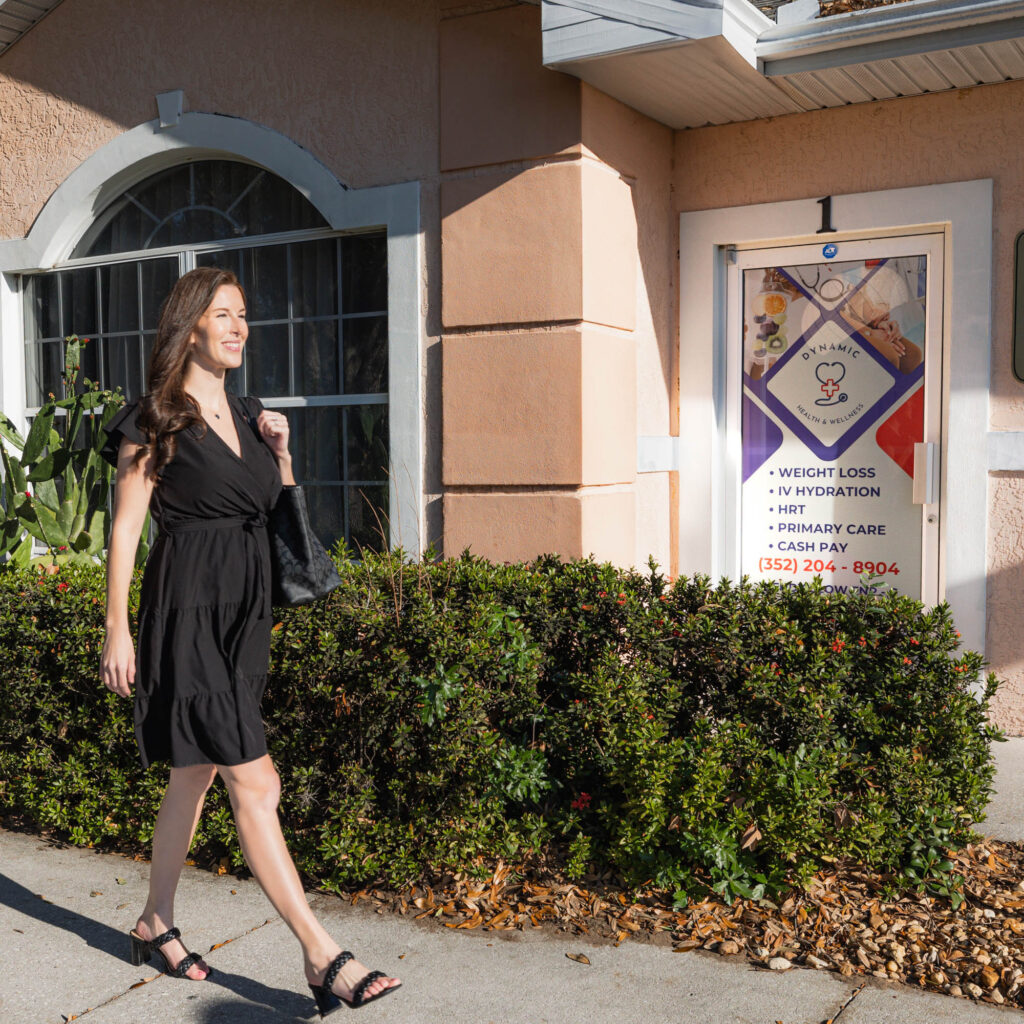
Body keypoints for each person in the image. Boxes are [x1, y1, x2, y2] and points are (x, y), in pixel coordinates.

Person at [99, 266, 401, 1015]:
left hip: (245, 619)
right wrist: (116, 627)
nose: (239, 327)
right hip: (187, 611)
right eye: (224, 314)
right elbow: (127, 528)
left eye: (243, 316)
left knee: (194, 774)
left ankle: (153, 922)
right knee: (255, 782)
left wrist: (284, 455)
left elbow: (275, 512)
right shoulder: (154, 419)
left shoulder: (253, 412)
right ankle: (320, 954)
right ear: (191, 325)